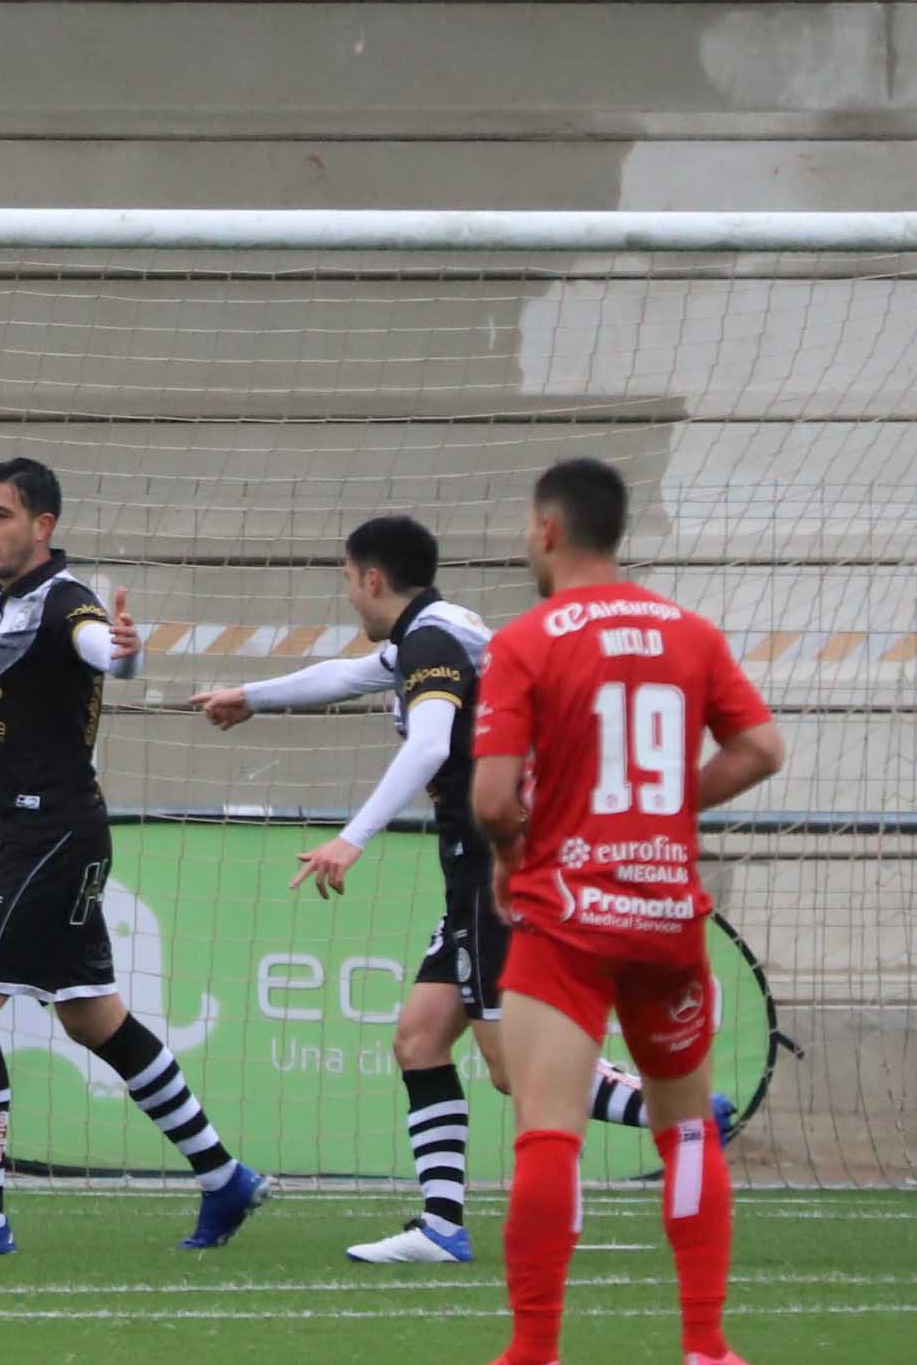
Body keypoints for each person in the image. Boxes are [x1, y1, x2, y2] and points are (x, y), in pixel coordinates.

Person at [192, 515, 722, 1265]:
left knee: (514, 1070)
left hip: (494, 870)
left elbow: (433, 742)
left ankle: (689, 1115)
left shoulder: (434, 642)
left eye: (346, 581)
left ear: (371, 578)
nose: (348, 596)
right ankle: (441, 1225)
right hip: (473, 874)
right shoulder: (430, 633)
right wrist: (252, 694)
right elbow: (347, 676)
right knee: (418, 1039)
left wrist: (354, 836)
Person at [0, 396, 270, 1257]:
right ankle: (226, 1178)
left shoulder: (65, 601)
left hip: (53, 839)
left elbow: (106, 654)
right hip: (54, 837)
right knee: (92, 1018)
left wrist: (131, 650)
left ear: (44, 524)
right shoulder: (3, 585)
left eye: (1, 516)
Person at [449, 457, 781, 1365]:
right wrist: (673, 808)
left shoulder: (526, 641)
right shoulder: (690, 631)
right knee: (685, 1135)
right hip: (670, 916)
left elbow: (491, 797)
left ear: (548, 530)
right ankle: (709, 1349)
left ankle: (531, 1360)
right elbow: (761, 749)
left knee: (548, 1136)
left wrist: (513, 858)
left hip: (570, 919)